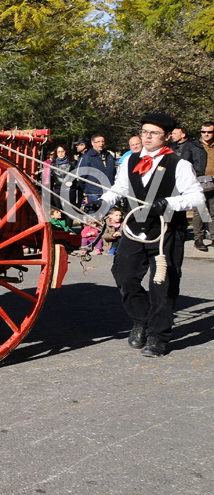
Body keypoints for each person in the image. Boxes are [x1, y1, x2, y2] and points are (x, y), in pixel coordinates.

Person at [88, 113, 205, 357]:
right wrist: (101, 202)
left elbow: (197, 197)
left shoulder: (179, 164)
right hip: (134, 230)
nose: (147, 136)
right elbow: (119, 189)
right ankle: (141, 320)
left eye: (154, 133)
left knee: (163, 284)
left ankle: (158, 336)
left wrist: (167, 203)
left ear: (166, 137)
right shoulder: (130, 162)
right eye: (144, 132)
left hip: (166, 232)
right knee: (124, 276)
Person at [191, 122, 214, 251]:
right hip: (198, 183)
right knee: (199, 212)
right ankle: (198, 239)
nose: (206, 134)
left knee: (213, 211)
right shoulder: (194, 146)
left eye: (209, 132)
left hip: (213, 183)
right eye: (203, 131)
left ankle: (213, 237)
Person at [75, 134, 116, 206]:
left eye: (102, 141)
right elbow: (80, 176)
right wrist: (87, 190)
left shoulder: (109, 156)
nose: (101, 144)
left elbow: (114, 173)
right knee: (95, 214)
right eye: (98, 142)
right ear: (92, 143)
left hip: (109, 191)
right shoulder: (87, 157)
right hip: (94, 193)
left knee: (111, 214)